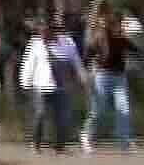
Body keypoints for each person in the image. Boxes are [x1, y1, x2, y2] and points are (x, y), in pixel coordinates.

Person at [20, 17, 80, 154]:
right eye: (40, 31)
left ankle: (59, 146)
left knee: (63, 117)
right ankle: (35, 144)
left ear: (53, 31)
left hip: (62, 86)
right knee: (40, 114)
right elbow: (28, 64)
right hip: (41, 85)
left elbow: (75, 60)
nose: (43, 34)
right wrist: (25, 83)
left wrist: (81, 75)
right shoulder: (35, 44)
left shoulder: (67, 43)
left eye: (46, 31)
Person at [81, 11, 135, 154]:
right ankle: (86, 136)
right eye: (120, 24)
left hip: (119, 77)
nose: (122, 26)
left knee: (124, 109)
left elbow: (136, 50)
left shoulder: (122, 38)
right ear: (112, 25)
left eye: (122, 24)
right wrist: (86, 71)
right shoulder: (100, 37)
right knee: (98, 110)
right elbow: (88, 54)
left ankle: (124, 141)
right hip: (102, 76)